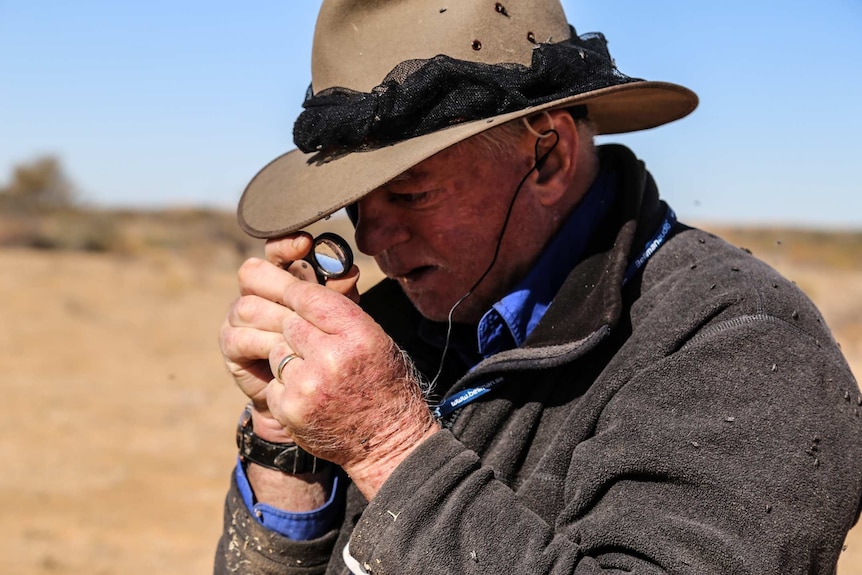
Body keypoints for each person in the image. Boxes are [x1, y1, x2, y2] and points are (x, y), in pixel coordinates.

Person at [215, 1, 862, 573]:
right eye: (356, 203)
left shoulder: (742, 345)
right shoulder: (396, 324)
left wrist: (387, 444)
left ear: (548, 156)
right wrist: (284, 437)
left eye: (410, 192)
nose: (374, 241)